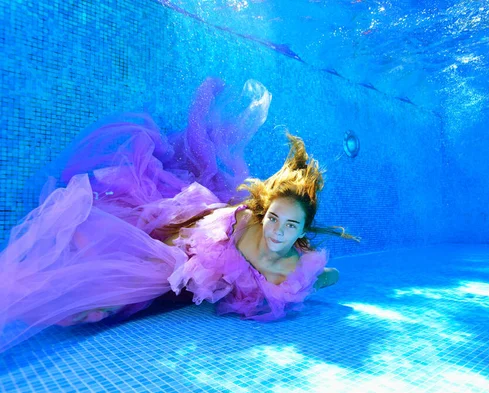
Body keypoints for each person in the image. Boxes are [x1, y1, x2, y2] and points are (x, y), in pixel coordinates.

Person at [0, 77, 358, 353]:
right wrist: (150, 242)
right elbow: (185, 232)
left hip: (191, 266)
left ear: (301, 232)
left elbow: (329, 274)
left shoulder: (296, 266)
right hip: (183, 235)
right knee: (111, 277)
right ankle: (199, 106)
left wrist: (321, 275)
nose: (277, 231)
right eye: (274, 218)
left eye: (290, 226)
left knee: (113, 290)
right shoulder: (245, 220)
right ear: (264, 212)